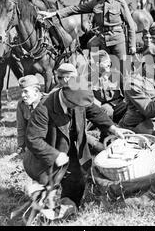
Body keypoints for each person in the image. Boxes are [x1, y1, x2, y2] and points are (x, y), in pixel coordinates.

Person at [23, 79, 128, 208]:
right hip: (45, 157)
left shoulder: (78, 97)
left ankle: (68, 209)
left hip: (68, 149)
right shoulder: (43, 109)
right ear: (67, 99)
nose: (80, 107)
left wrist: (113, 128)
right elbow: (33, 139)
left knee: (77, 181)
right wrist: (55, 155)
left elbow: (94, 111)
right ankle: (41, 206)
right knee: (45, 192)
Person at [38, 0, 136, 62]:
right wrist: (55, 13)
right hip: (102, 40)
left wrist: (132, 45)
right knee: (101, 69)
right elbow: (76, 9)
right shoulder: (96, 3)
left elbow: (130, 25)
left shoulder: (120, 3)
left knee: (123, 69)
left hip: (118, 40)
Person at [90, 50, 126, 123]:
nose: (109, 64)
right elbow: (89, 97)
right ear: (97, 64)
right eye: (106, 62)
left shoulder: (117, 74)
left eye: (109, 61)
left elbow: (126, 92)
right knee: (105, 111)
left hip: (118, 104)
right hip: (103, 107)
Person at [16, 75, 44, 155]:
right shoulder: (21, 104)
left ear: (35, 91)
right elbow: (21, 128)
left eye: (25, 91)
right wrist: (21, 147)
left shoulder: (48, 102)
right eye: (21, 92)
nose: (22, 95)